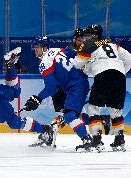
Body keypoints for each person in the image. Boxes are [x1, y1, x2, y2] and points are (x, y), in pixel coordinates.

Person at [24, 36, 92, 151]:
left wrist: (38, 98)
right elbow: (74, 53)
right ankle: (97, 122)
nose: (35, 50)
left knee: (69, 115)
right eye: (34, 48)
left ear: (44, 48)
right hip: (78, 84)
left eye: (38, 47)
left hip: (75, 87)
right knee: (72, 112)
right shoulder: (57, 50)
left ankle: (88, 140)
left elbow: (51, 88)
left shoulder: (45, 63)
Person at [72, 24, 131, 152]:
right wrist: (120, 71)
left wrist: (84, 66)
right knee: (116, 110)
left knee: (93, 108)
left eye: (87, 35)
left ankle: (97, 141)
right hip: (120, 76)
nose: (85, 38)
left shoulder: (88, 45)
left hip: (103, 75)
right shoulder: (112, 44)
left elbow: (76, 64)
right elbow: (129, 59)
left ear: (94, 35)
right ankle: (119, 141)